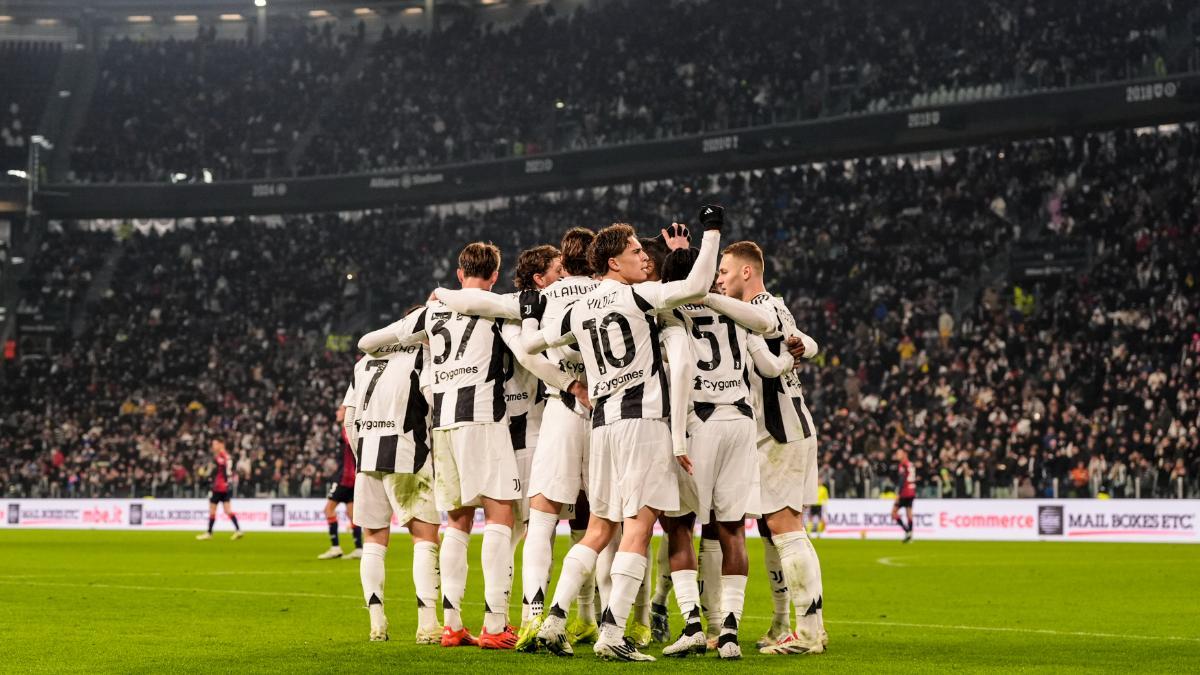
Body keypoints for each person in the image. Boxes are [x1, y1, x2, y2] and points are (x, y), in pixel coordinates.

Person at [520, 206, 724, 661]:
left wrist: (539, 330)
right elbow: (694, 286)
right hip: (643, 421)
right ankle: (613, 634)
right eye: (635, 251)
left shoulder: (576, 309)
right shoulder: (636, 297)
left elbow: (530, 345)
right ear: (614, 262)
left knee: (598, 528)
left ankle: (553, 620)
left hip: (602, 423)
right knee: (639, 525)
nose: (641, 258)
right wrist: (711, 232)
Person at [359, 242, 583, 650]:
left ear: (460, 273)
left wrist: (433, 313)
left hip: (443, 426)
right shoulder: (501, 308)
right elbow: (528, 351)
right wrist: (569, 383)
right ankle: (496, 625)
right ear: (495, 275)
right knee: (500, 517)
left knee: (457, 524)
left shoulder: (430, 312)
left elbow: (367, 341)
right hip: (484, 419)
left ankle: (451, 624)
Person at [655, 245, 798, 659]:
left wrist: (678, 435)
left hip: (698, 422)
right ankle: (731, 632)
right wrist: (790, 354)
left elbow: (677, 367)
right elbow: (769, 362)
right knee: (733, 528)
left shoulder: (671, 313)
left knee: (679, 524)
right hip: (740, 421)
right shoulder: (736, 311)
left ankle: (694, 625)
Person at [716, 240, 826, 655]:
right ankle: (784, 624)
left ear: (746, 272)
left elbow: (768, 348)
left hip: (782, 432)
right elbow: (804, 341)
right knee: (770, 529)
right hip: (777, 432)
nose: (720, 280)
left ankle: (810, 632)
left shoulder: (761, 308)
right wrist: (805, 347)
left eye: (724, 272)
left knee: (786, 528)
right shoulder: (773, 308)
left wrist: (791, 351)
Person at [343, 323, 441, 643]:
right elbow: (433, 403)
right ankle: (427, 624)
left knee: (373, 540)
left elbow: (348, 418)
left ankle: (377, 623)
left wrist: (360, 454)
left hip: (367, 456)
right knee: (424, 537)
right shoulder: (424, 354)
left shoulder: (364, 362)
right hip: (407, 452)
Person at [317, 404, 363, 560]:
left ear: (347, 412)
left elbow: (350, 442)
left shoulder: (347, 429)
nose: (337, 412)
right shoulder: (351, 429)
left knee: (328, 510)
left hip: (345, 477)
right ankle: (358, 549)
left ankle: (335, 547)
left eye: (340, 409)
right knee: (352, 514)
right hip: (354, 477)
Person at [196, 438, 243, 540]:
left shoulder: (221, 457)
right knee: (227, 510)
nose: (213, 446)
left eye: (215, 444)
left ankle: (209, 533)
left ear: (221, 444)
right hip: (225, 487)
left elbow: (220, 469)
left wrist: (205, 472)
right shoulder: (226, 457)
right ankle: (238, 530)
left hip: (219, 487)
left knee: (212, 510)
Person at [893, 448, 917, 543]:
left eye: (899, 453)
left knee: (893, 513)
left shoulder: (903, 464)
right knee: (909, 513)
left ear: (904, 454)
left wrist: (898, 494)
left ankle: (907, 532)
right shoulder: (910, 464)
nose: (897, 455)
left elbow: (902, 480)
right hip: (912, 491)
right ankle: (910, 535)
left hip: (905, 492)